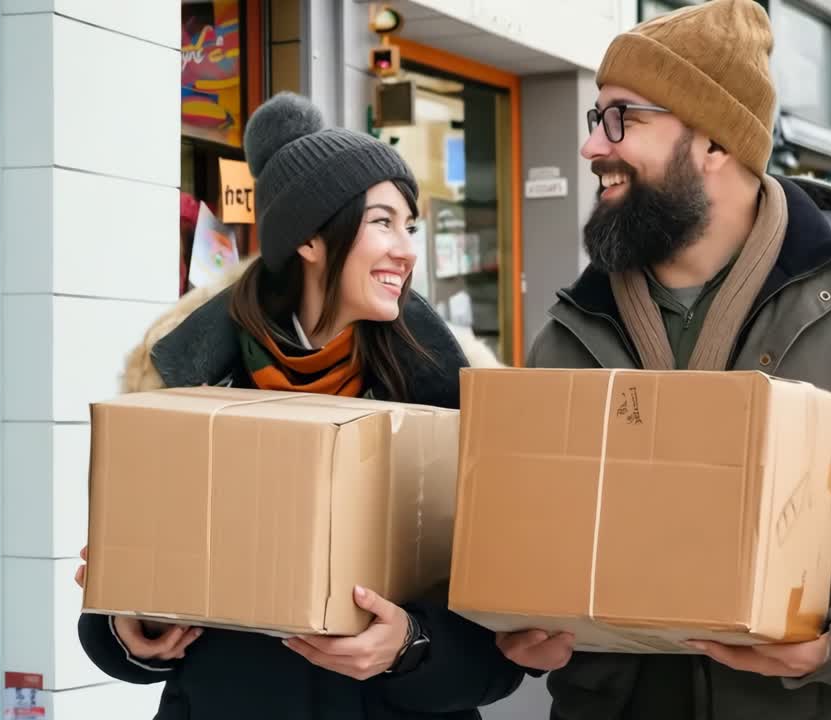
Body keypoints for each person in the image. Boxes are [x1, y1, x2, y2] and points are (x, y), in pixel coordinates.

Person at [496, 2, 831, 719]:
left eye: (622, 118)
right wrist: (523, 623)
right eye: (596, 118)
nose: (593, 146)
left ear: (714, 142)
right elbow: (536, 554)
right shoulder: (566, 337)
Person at [74, 93, 520, 720]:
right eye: (383, 223)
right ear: (311, 238)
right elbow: (114, 597)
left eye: (410, 228)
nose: (406, 250)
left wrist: (412, 646)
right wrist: (131, 634)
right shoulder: (184, 386)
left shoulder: (449, 397)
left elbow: (502, 647)